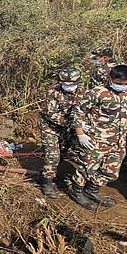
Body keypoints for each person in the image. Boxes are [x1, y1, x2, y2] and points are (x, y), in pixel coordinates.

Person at [70, 64, 127, 209]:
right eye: (119, 84)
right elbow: (78, 113)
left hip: (118, 141)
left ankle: (91, 190)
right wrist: (81, 134)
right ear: (110, 78)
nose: (123, 86)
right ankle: (76, 191)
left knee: (111, 172)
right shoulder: (97, 93)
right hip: (96, 139)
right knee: (87, 168)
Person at [39, 67, 84, 198]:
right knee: (52, 156)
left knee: (66, 153)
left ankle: (60, 176)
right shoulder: (53, 93)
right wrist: (76, 125)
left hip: (69, 130)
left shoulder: (83, 93)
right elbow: (51, 114)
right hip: (51, 128)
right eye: (65, 84)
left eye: (72, 84)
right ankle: (47, 182)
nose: (69, 87)